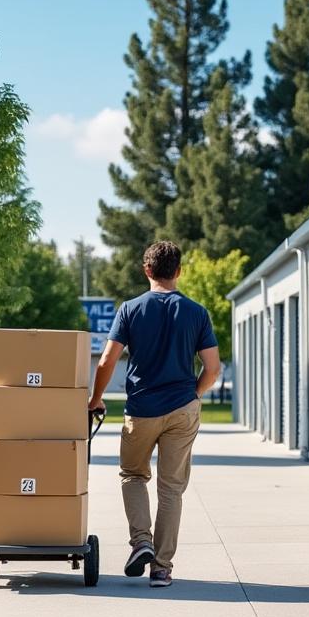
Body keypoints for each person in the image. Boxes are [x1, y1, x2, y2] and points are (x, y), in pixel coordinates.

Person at [88, 241, 222, 588]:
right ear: (178, 271)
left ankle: (141, 543)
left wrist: (96, 398)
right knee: (171, 489)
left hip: (142, 410)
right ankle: (161, 568)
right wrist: (193, 394)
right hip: (182, 408)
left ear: (147, 270)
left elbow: (106, 360)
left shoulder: (130, 309)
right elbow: (212, 368)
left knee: (133, 475)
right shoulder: (197, 313)